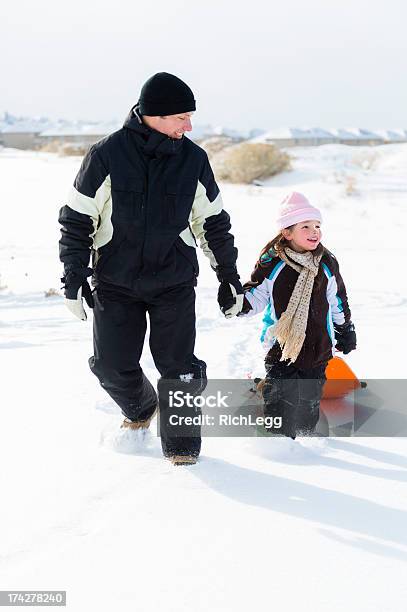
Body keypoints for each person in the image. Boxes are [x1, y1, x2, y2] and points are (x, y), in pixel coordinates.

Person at [58, 72, 244, 465]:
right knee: (111, 366)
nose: (189, 126)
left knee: (180, 368)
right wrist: (73, 275)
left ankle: (181, 446)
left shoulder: (193, 159)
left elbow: (211, 222)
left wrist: (228, 277)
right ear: (155, 115)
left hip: (173, 281)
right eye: (182, 117)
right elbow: (77, 218)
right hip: (115, 281)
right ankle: (141, 409)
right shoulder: (106, 155)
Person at [240, 192, 356, 438]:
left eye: (317, 226)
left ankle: (306, 443)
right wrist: (237, 303)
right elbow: (256, 296)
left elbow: (337, 299)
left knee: (308, 401)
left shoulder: (326, 262)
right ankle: (276, 443)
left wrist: (344, 329)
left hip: (318, 346)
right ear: (287, 232)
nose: (315, 231)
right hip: (281, 345)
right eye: (306, 226)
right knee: (279, 398)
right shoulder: (272, 262)